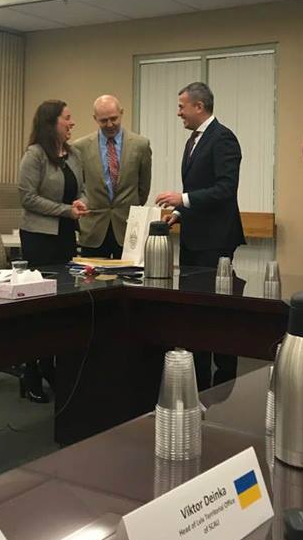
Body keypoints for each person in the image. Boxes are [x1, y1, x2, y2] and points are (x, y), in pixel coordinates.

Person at [155, 82, 245, 388]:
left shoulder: (223, 138)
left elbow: (225, 189)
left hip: (215, 241)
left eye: (182, 107)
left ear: (199, 106)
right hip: (194, 239)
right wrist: (179, 214)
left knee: (217, 313)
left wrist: (182, 199)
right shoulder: (193, 140)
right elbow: (200, 191)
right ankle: (199, 381)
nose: (178, 113)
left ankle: (225, 381)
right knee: (196, 313)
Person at [18, 99, 88, 402]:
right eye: (67, 118)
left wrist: (81, 203)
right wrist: (65, 210)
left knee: (60, 306)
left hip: (65, 237)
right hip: (39, 238)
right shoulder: (34, 155)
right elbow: (27, 197)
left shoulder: (73, 154)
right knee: (40, 308)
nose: (72, 123)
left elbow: (82, 189)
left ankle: (50, 366)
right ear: (51, 122)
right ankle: (31, 371)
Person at [72, 94, 152, 259]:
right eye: (103, 120)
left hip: (128, 229)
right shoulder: (80, 147)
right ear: (95, 118)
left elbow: (143, 188)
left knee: (127, 275)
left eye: (114, 118)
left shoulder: (141, 145)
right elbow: (80, 186)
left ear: (121, 113)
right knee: (91, 276)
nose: (109, 124)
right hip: (93, 230)